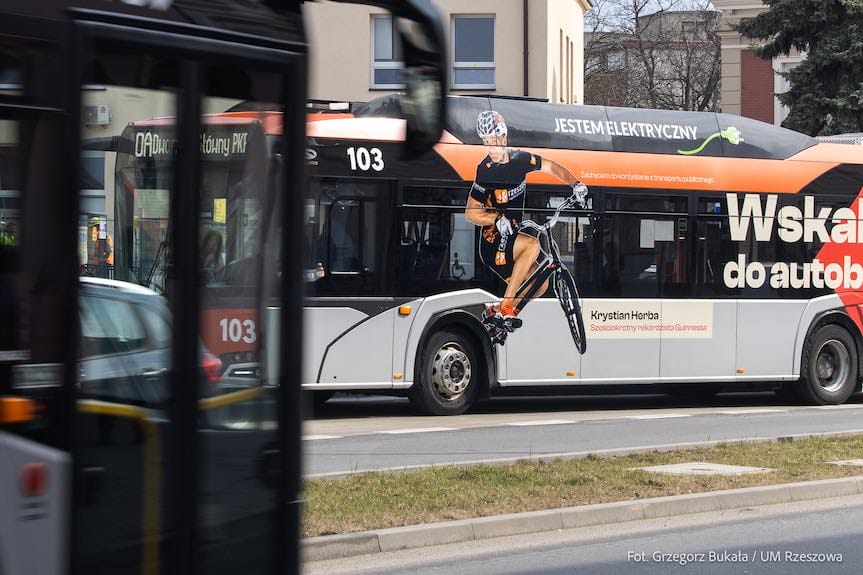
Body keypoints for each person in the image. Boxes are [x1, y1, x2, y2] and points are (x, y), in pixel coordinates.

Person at [465, 109, 588, 329]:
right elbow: (471, 212)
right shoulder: (485, 170)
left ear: (503, 137)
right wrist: (496, 218)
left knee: (540, 285)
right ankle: (506, 308)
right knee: (532, 244)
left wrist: (575, 183)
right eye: (486, 142)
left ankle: (496, 314)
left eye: (493, 140)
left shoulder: (520, 159)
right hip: (494, 242)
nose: (490, 147)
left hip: (513, 237)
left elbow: (551, 166)